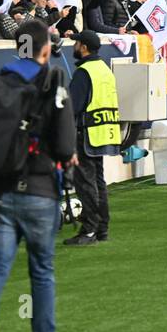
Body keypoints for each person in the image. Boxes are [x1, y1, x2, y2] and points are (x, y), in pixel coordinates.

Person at [0, 20, 75, 332]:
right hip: (39, 189)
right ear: (46, 48)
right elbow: (65, 145)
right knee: (41, 271)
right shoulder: (54, 81)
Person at [64, 31, 120, 245]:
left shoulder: (84, 72)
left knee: (86, 184)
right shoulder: (104, 69)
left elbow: (73, 107)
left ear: (84, 47)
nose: (74, 47)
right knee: (98, 182)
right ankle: (101, 229)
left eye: (77, 43)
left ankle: (89, 231)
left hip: (86, 133)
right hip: (104, 132)